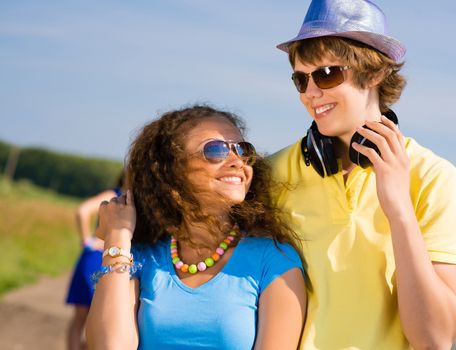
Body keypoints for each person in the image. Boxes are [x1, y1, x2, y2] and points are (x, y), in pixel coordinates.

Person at [269, 0, 456, 349]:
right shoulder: (273, 173)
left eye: (327, 74)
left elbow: (435, 339)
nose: (311, 93)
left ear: (374, 73)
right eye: (301, 79)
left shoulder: (434, 176)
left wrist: (399, 209)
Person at [85, 105, 307, 349]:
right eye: (216, 150)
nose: (237, 161)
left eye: (243, 150)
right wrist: (117, 238)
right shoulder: (142, 258)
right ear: (171, 172)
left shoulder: (273, 260)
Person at [65, 171, 124, 350]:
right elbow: (83, 211)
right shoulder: (114, 195)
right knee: (87, 317)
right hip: (97, 259)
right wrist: (87, 242)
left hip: (109, 261)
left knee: (93, 320)